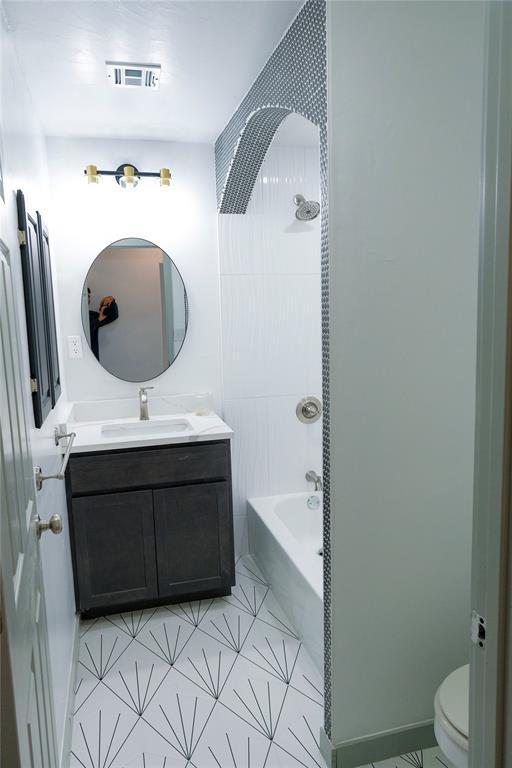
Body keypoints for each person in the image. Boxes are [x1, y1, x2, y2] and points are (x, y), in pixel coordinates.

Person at [88, 289, 119, 360]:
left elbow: (113, 316)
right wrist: (98, 320)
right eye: (86, 296)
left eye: (89, 296)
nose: (88, 298)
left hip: (93, 359)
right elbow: (86, 333)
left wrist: (111, 301)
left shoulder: (92, 315)